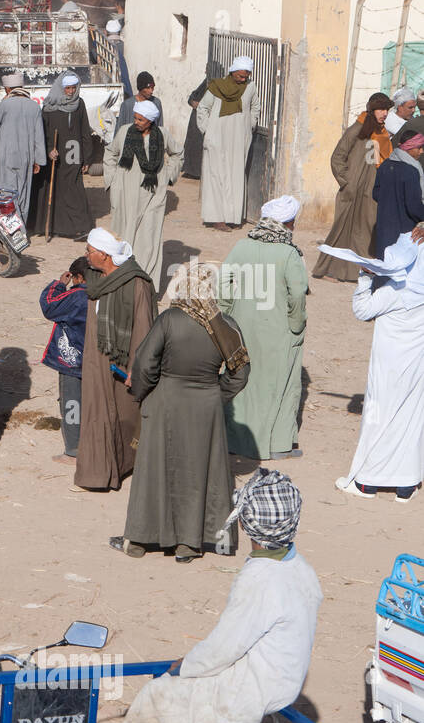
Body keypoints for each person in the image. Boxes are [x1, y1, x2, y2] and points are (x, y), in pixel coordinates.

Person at [102, 469, 321, 723]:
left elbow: (223, 648)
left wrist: (184, 668)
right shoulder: (301, 569)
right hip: (281, 680)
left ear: (247, 524)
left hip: (253, 687)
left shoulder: (259, 579)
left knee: (155, 697)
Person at [109, 263, 250, 562]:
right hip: (205, 409)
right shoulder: (225, 325)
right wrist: (213, 395)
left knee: (153, 470)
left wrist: (143, 393)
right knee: (197, 473)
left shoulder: (169, 319)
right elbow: (240, 373)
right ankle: (188, 545)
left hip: (165, 403)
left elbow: (145, 364)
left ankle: (139, 540)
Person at [319, 235, 424, 502]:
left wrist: (365, 278)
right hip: (415, 367)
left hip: (387, 366)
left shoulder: (396, 291)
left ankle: (367, 483)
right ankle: (406, 486)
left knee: (378, 419)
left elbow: (362, 310)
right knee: (410, 420)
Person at [221, 196, 308, 461]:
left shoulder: (241, 246)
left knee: (243, 382)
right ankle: (278, 444)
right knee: (281, 383)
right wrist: (296, 325)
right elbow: (297, 294)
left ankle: (235, 441)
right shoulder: (289, 253)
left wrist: (226, 315)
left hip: (241, 325)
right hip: (279, 329)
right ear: (288, 223)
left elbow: (223, 281)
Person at [75, 227, 155, 491]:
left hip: (123, 363)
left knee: (123, 415)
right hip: (96, 362)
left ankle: (120, 468)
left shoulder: (137, 284)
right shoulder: (95, 280)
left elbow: (144, 329)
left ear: (105, 255)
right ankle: (96, 474)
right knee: (96, 414)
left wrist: (138, 368)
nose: (86, 255)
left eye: (90, 251)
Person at [312, 93, 393, 282]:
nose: (385, 113)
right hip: (351, 191)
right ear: (372, 110)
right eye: (381, 109)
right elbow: (337, 157)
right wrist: (346, 182)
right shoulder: (356, 130)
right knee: (341, 231)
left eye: (387, 110)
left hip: (371, 193)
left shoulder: (383, 134)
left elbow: (384, 161)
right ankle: (326, 269)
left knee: (365, 231)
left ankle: (357, 272)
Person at [103, 100, 182, 292]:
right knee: (125, 237)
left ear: (151, 121)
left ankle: (146, 288)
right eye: (135, 118)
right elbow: (110, 154)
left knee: (149, 240)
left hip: (153, 194)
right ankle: (122, 283)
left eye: (141, 119)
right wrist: (112, 182)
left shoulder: (162, 135)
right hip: (126, 193)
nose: (136, 122)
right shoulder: (124, 132)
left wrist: (168, 177)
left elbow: (177, 153)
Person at [198, 56, 261, 230]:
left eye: (246, 76)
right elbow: (203, 108)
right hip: (216, 138)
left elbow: (255, 107)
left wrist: (250, 124)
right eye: (240, 76)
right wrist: (207, 131)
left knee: (235, 176)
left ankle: (233, 217)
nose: (243, 79)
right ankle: (217, 218)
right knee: (215, 176)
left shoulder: (250, 88)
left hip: (239, 140)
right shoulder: (216, 87)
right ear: (232, 71)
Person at [32, 71, 95, 239]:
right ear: (61, 88)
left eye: (74, 88)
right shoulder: (49, 105)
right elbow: (41, 132)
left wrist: (87, 158)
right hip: (53, 156)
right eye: (68, 88)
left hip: (73, 155)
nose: (71, 91)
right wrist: (48, 150)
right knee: (52, 189)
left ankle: (80, 228)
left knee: (73, 190)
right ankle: (52, 227)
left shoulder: (79, 104)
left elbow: (84, 131)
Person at [39, 256, 89, 462]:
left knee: (71, 405)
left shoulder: (77, 296)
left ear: (77, 277)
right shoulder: (107, 293)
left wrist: (59, 284)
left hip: (72, 362)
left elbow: (48, 306)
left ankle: (73, 450)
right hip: (97, 361)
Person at [0, 71, 45, 221]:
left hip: (7, 157)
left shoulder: (6, 104)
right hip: (27, 157)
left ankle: (11, 227)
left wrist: (2, 103)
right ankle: (21, 227)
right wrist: (39, 161)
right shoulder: (34, 106)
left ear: (8, 89)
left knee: (7, 192)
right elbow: (39, 137)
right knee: (23, 192)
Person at [372, 130, 424, 256]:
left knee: (386, 261)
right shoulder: (411, 171)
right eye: (419, 148)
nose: (422, 151)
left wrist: (389, 201)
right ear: (409, 147)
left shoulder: (385, 165)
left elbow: (376, 193)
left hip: (384, 223)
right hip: (404, 226)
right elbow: (413, 205)